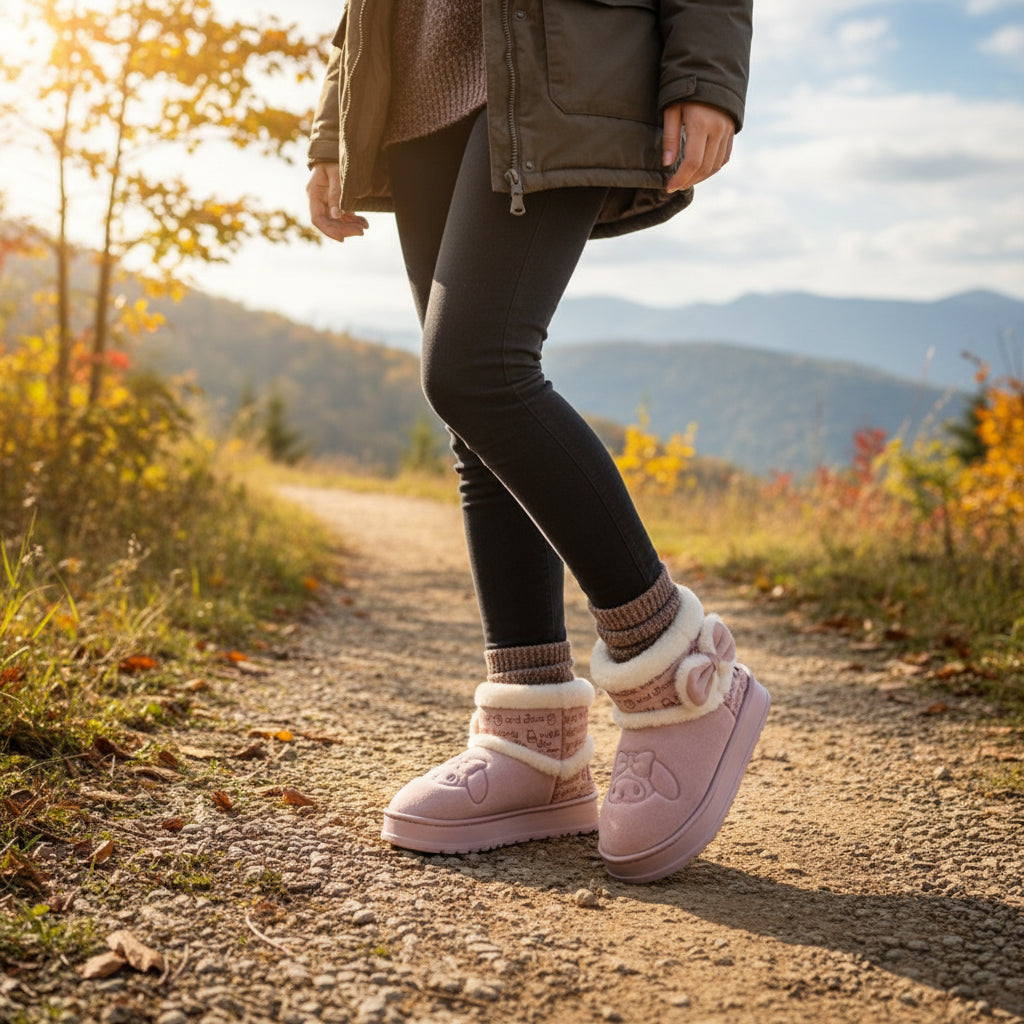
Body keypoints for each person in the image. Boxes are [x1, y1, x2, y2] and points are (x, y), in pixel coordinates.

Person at [306, 0, 769, 884]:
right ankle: (535, 741)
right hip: (413, 83)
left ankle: (677, 671)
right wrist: (337, 121)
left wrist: (705, 74)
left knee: (479, 370)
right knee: (476, 423)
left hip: (561, 60)